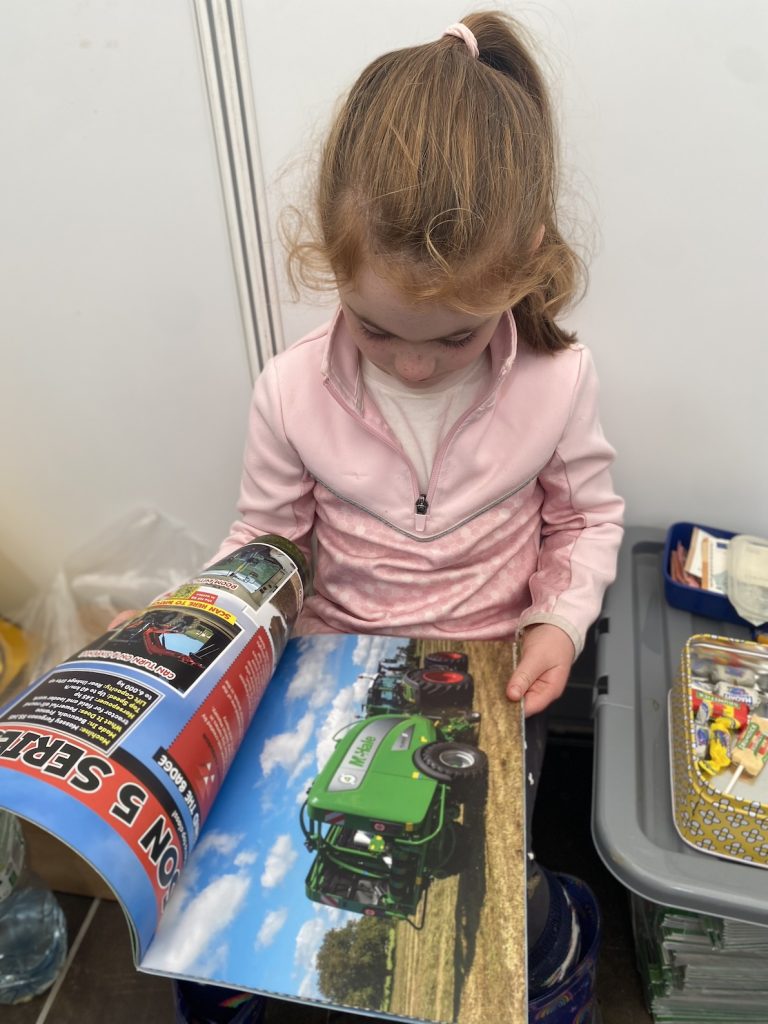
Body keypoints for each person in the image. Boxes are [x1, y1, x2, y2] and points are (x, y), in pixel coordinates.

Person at [177, 10, 624, 1022]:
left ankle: (551, 962)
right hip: (334, 673)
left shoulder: (560, 378)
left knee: (484, 897)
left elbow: (587, 520)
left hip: (493, 680)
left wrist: (559, 619)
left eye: (457, 338)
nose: (415, 364)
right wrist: (207, 631)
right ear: (328, 264)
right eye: (378, 329)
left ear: (528, 268)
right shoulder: (291, 391)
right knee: (268, 896)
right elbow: (264, 543)